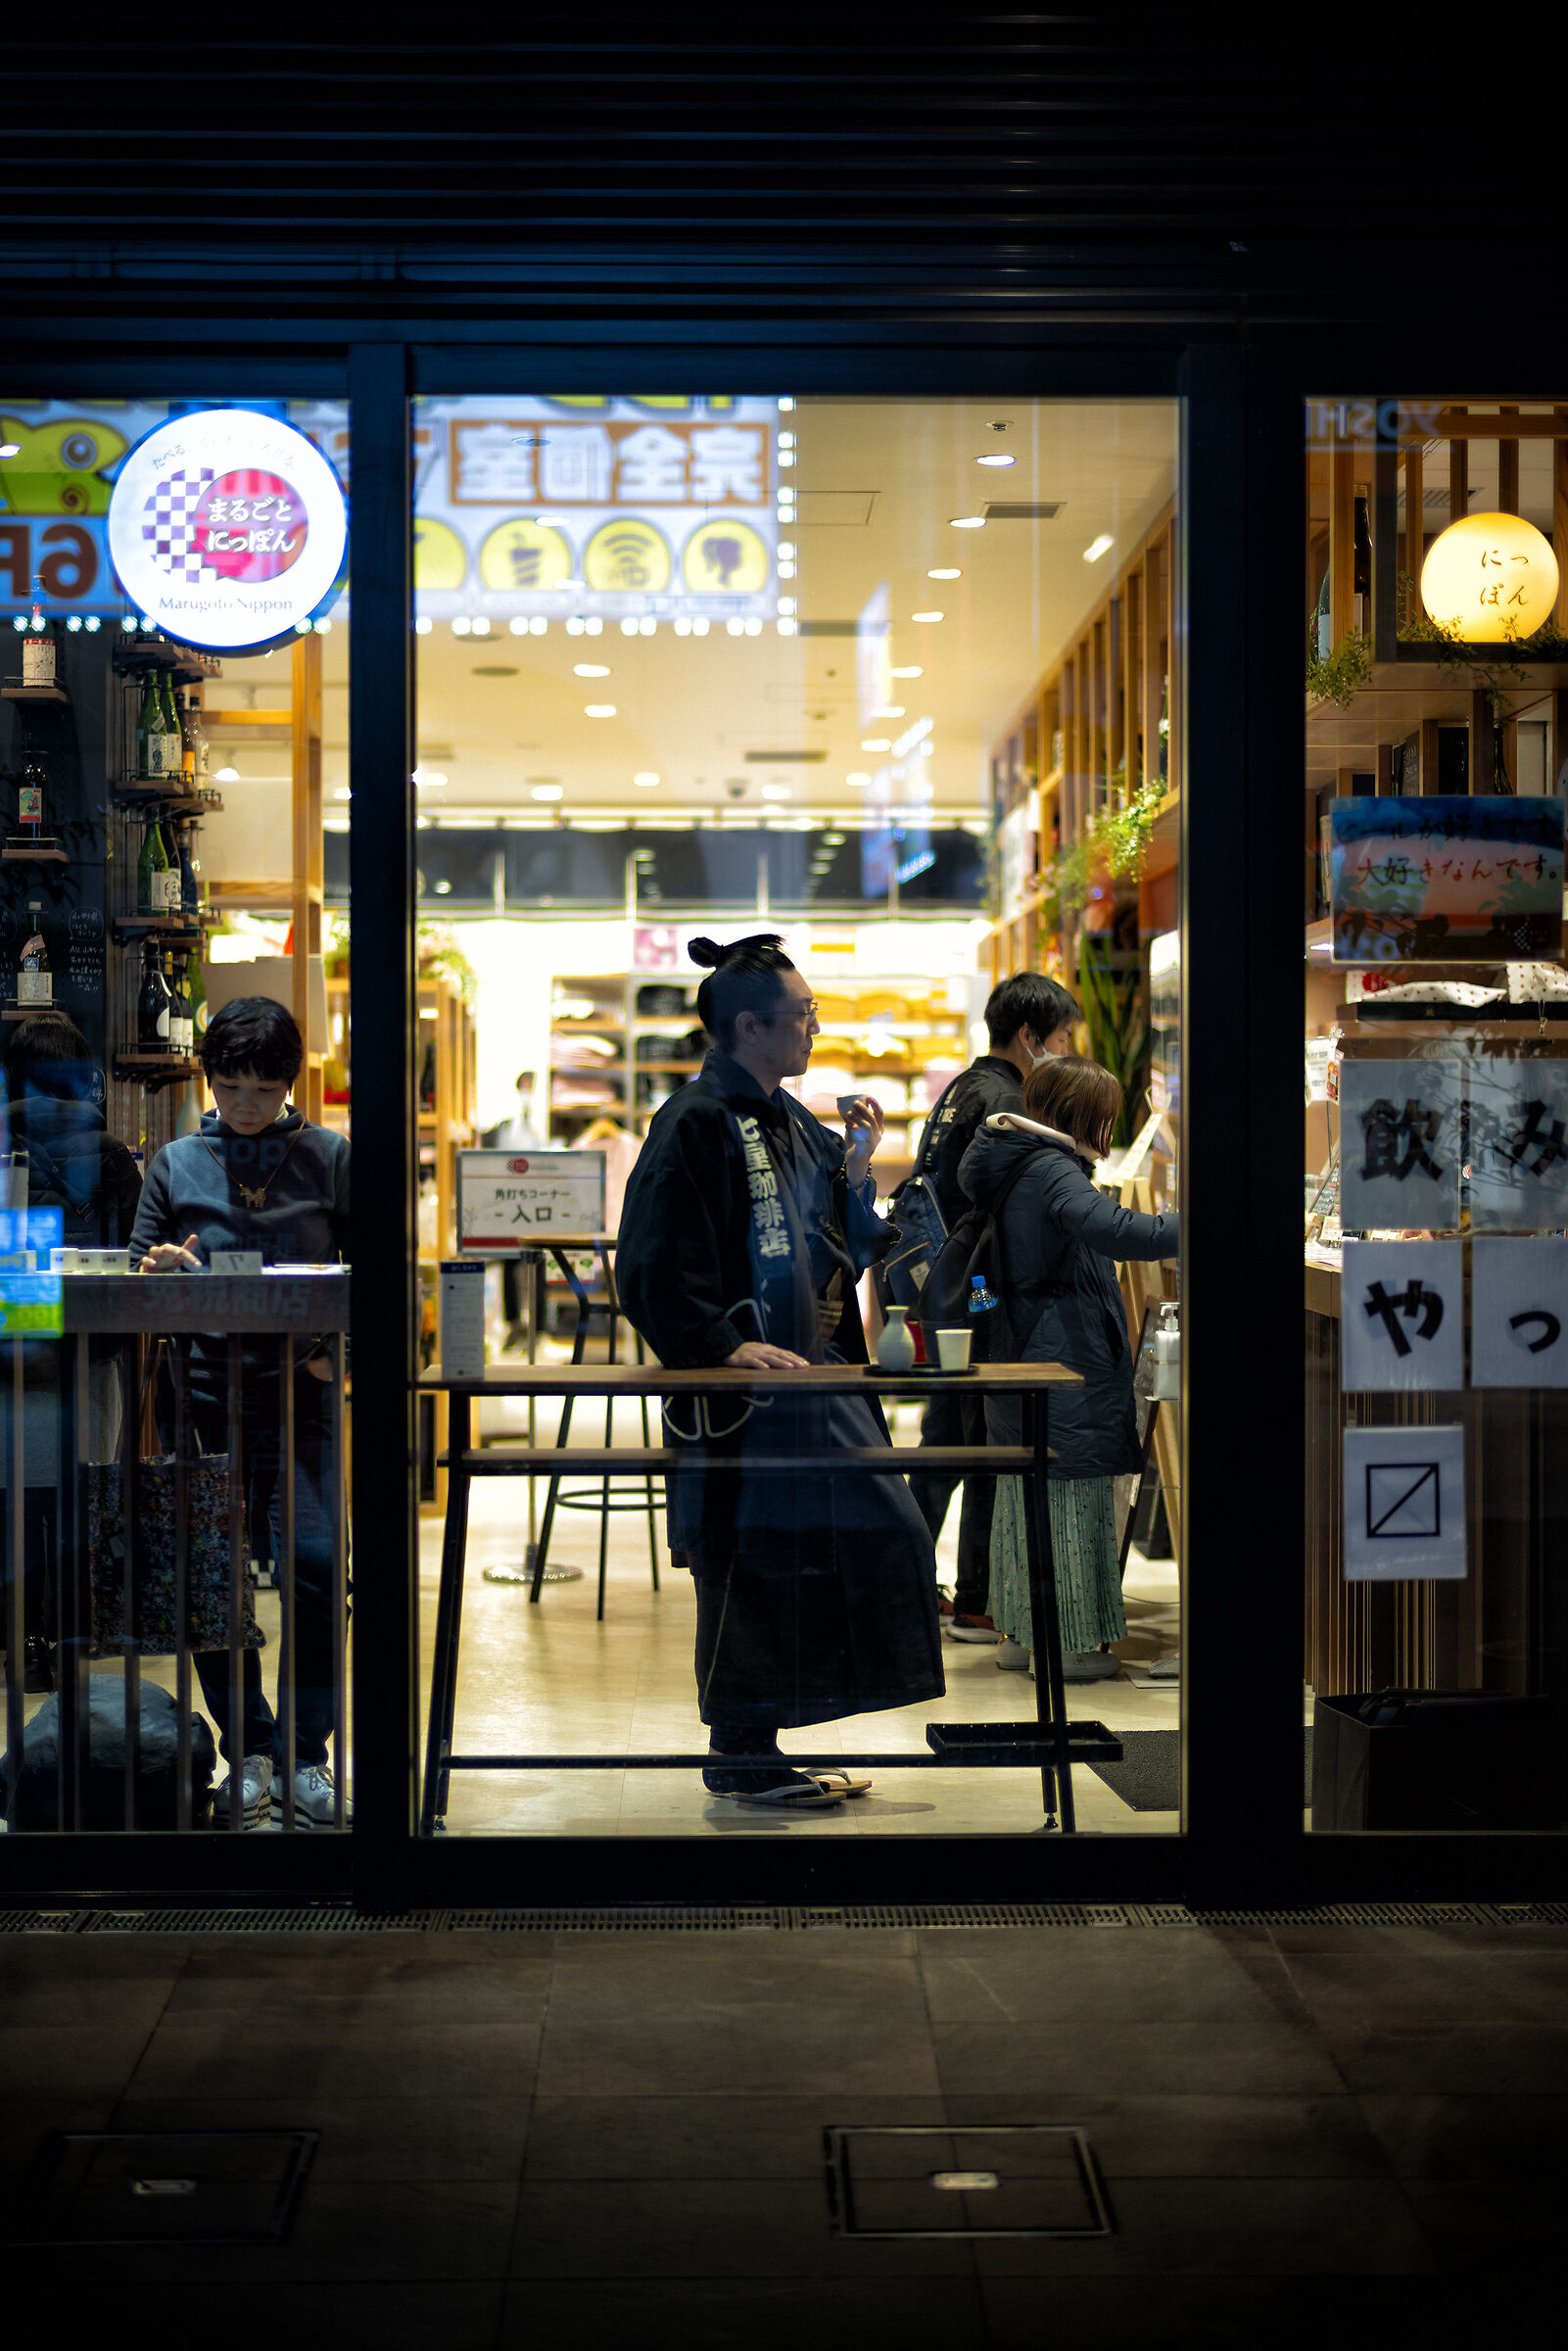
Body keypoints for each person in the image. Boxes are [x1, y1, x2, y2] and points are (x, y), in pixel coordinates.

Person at [617, 933, 944, 1810]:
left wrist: (854, 1167)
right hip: (742, 1394)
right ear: (749, 1027)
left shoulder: (784, 1113)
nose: (812, 1028)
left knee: (829, 1551)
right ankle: (741, 1757)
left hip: (810, 1378)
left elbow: (833, 1241)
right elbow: (647, 1263)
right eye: (800, 1016)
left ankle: (760, 1750)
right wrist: (718, 1345)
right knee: (753, 1564)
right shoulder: (693, 1120)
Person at [129, 997, 351, 1829]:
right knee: (211, 1583)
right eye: (229, 1088)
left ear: (290, 1084)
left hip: (301, 1394)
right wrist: (157, 1266)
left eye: (261, 1089)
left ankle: (306, 1754)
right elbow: (132, 1265)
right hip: (203, 1396)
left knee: (319, 1572)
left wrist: (341, 1362)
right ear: (209, 1080)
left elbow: (379, 1276)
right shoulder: (178, 1161)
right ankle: (250, 1748)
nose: (245, 1106)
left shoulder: (329, 1156)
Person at [957, 1053, 1176, 1683]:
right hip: (1059, 1357)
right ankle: (1076, 1644)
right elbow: (1115, 1230)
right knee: (1072, 1494)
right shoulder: (1052, 1168)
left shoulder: (1008, 1161)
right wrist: (1204, 1225)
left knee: (1023, 1499)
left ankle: (1021, 1636)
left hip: (1011, 1348)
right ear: (1083, 1115)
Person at [905, 971, 1079, 1643]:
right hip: (976, 1291)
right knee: (980, 1440)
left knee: (947, 1440)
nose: (1063, 1051)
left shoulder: (961, 1088)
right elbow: (1010, 1210)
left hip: (946, 1288)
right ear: (1029, 1035)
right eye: (1060, 1038)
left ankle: (912, 1583)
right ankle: (974, 1599)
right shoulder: (1005, 1101)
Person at [0, 1013, 142, 1692]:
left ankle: (61, 1635)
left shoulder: (103, 1156)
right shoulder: (22, 1154)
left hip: (70, 1363)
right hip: (43, 1365)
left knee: (65, 1502)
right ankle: (42, 1638)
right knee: (33, 1504)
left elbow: (130, 1263)